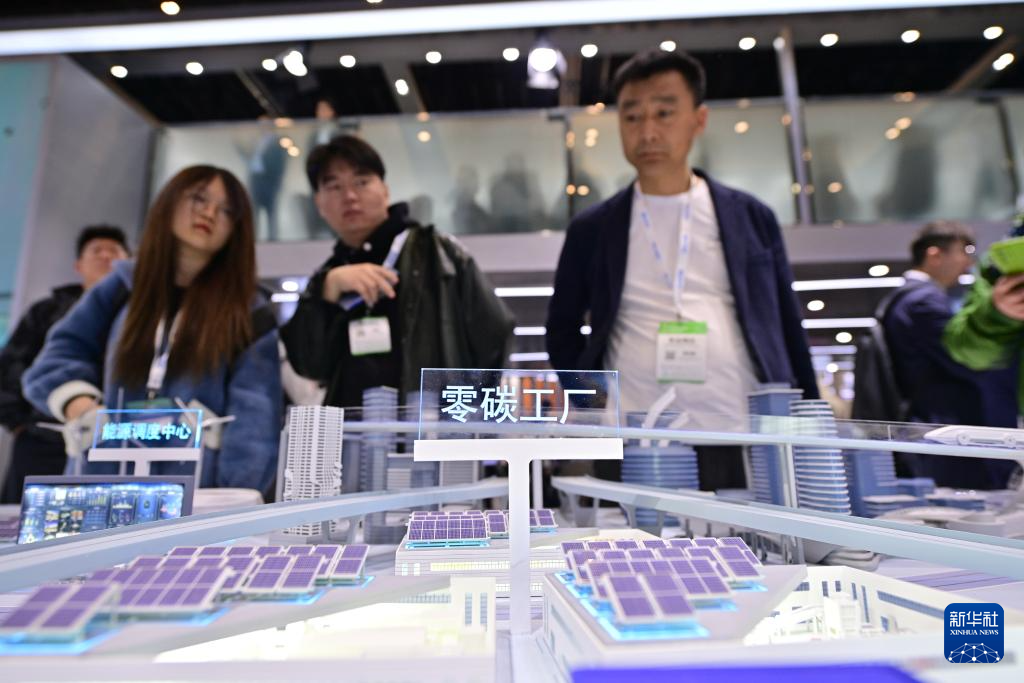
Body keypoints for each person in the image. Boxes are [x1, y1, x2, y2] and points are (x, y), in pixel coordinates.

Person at [545, 48, 816, 487]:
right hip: (634, 433)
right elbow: (561, 329)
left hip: (741, 428)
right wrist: (592, 403)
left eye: (664, 113)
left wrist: (811, 422)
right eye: (632, 117)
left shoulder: (751, 217)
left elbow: (786, 324)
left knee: (747, 530)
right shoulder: (592, 229)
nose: (648, 131)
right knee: (627, 532)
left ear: (698, 119)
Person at [23, 166, 282, 496]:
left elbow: (256, 414)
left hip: (197, 491)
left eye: (227, 210)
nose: (209, 213)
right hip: (101, 482)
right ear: (169, 202)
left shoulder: (248, 309)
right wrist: (82, 408)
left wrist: (235, 496)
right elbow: (56, 358)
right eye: (199, 199)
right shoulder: (121, 287)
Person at [281, 134, 514, 408]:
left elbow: (495, 332)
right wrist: (327, 290)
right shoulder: (328, 277)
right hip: (353, 428)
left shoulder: (438, 255)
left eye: (361, 182)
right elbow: (308, 366)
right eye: (334, 187)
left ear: (385, 190)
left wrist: (462, 410)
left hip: (429, 424)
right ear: (319, 204)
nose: (350, 196)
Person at [0, 225, 130, 503]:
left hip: (110, 441)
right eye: (97, 251)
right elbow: (11, 366)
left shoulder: (137, 315)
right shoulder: (46, 311)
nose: (106, 256)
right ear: (78, 265)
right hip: (44, 440)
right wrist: (20, 423)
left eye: (115, 251)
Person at [884, 222, 1017, 488]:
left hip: (933, 428)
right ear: (934, 255)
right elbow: (966, 360)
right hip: (945, 431)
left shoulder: (907, 298)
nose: (969, 263)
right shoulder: (923, 301)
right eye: (964, 251)